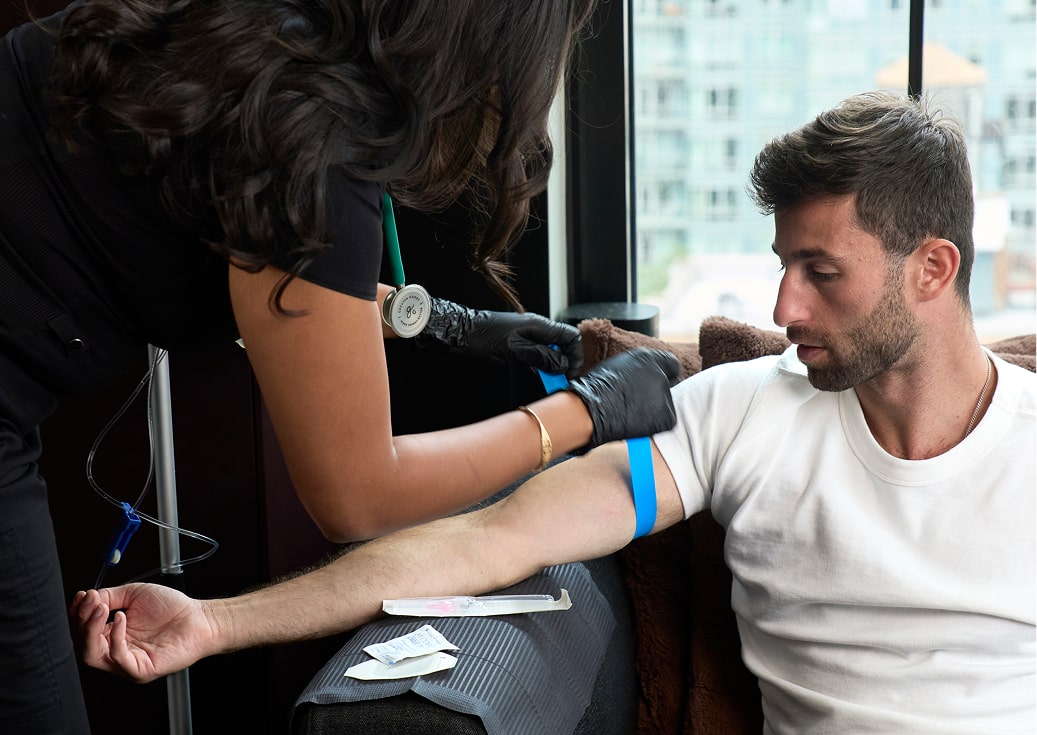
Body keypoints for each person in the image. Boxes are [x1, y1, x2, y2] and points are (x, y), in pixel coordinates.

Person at [73, 89, 1037, 733]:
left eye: (819, 272)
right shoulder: (740, 413)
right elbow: (489, 540)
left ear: (932, 268)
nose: (782, 308)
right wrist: (213, 620)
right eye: (783, 265)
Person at [1, 1, 684, 733]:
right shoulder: (316, 138)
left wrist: (454, 326)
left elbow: (280, 284)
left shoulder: (282, 48)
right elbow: (357, 494)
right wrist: (583, 413)